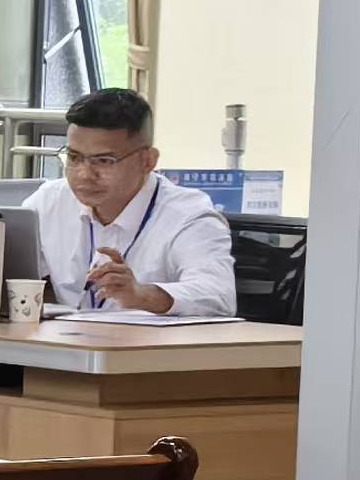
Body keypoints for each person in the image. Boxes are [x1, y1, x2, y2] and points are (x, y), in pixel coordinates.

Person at [25, 85, 235, 320]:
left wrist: (141, 295)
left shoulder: (188, 215)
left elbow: (219, 296)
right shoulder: (48, 202)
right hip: (63, 340)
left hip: (145, 343)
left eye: (104, 161)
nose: (84, 174)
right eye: (74, 158)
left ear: (147, 161)